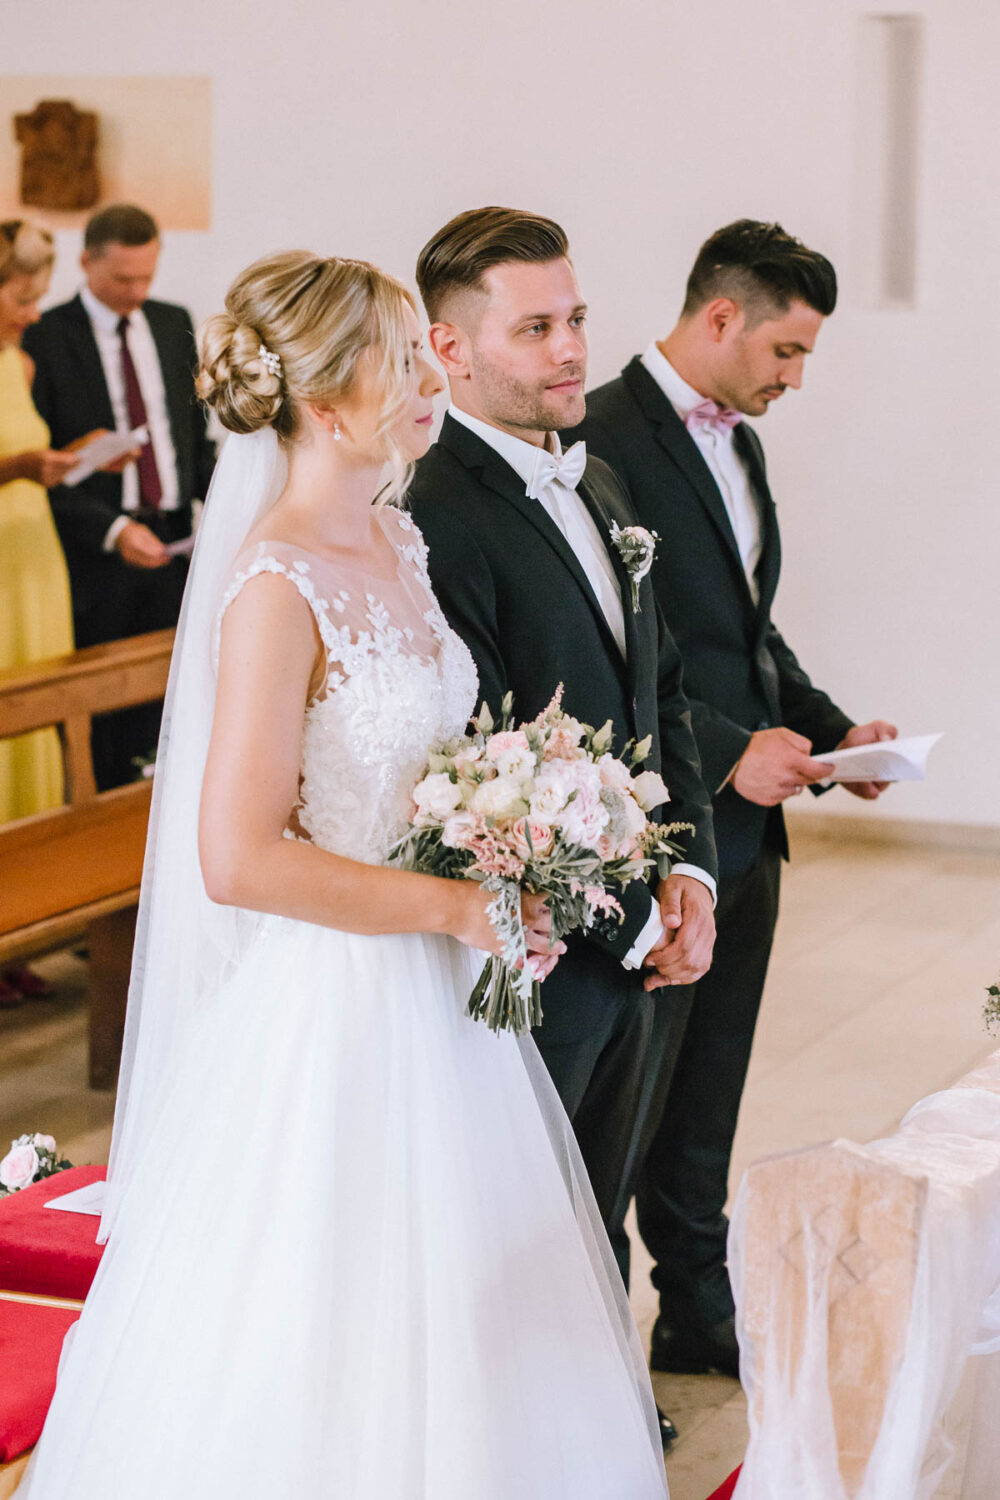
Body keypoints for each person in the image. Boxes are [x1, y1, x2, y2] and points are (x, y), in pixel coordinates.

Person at [21, 251, 670, 1500]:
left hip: (445, 996)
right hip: (338, 1010)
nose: (436, 372)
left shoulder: (396, 536)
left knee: (471, 1324)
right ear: (324, 404)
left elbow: (427, 766)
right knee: (338, 1332)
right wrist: (452, 903)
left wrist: (513, 839)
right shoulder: (273, 585)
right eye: (403, 356)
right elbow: (238, 857)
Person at [408, 207, 718, 1446]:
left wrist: (688, 864)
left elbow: (665, 687)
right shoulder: (436, 510)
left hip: (641, 929)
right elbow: (482, 767)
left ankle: (593, 1412)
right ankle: (532, 1438)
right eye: (533, 327)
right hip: (538, 950)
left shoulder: (597, 472)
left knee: (602, 1199)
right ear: (448, 347)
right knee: (530, 1212)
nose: (570, 349)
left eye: (576, 317)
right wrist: (634, 914)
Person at [570, 219, 897, 1379]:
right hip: (655, 830)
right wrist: (716, 756)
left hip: (749, 837)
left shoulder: (739, 444)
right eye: (787, 352)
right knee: (627, 1106)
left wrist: (827, 732)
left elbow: (741, 635)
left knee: (709, 1089)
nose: (794, 379)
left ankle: (699, 1309)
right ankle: (595, 1344)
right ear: (721, 318)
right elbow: (603, 654)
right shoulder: (598, 438)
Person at [23, 203, 216, 789]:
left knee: (173, 691)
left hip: (174, 540)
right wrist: (111, 530)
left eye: (146, 278)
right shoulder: (45, 336)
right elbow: (38, 464)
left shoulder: (170, 321)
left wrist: (225, 503)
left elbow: (192, 438)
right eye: (121, 279)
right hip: (97, 553)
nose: (136, 292)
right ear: (86, 263)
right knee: (105, 707)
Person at [0, 218, 109, 1006]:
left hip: (32, 560)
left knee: (37, 729)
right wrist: (24, 465)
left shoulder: (18, 359)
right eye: (18, 295)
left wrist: (69, 460)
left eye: (38, 295)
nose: (31, 311)